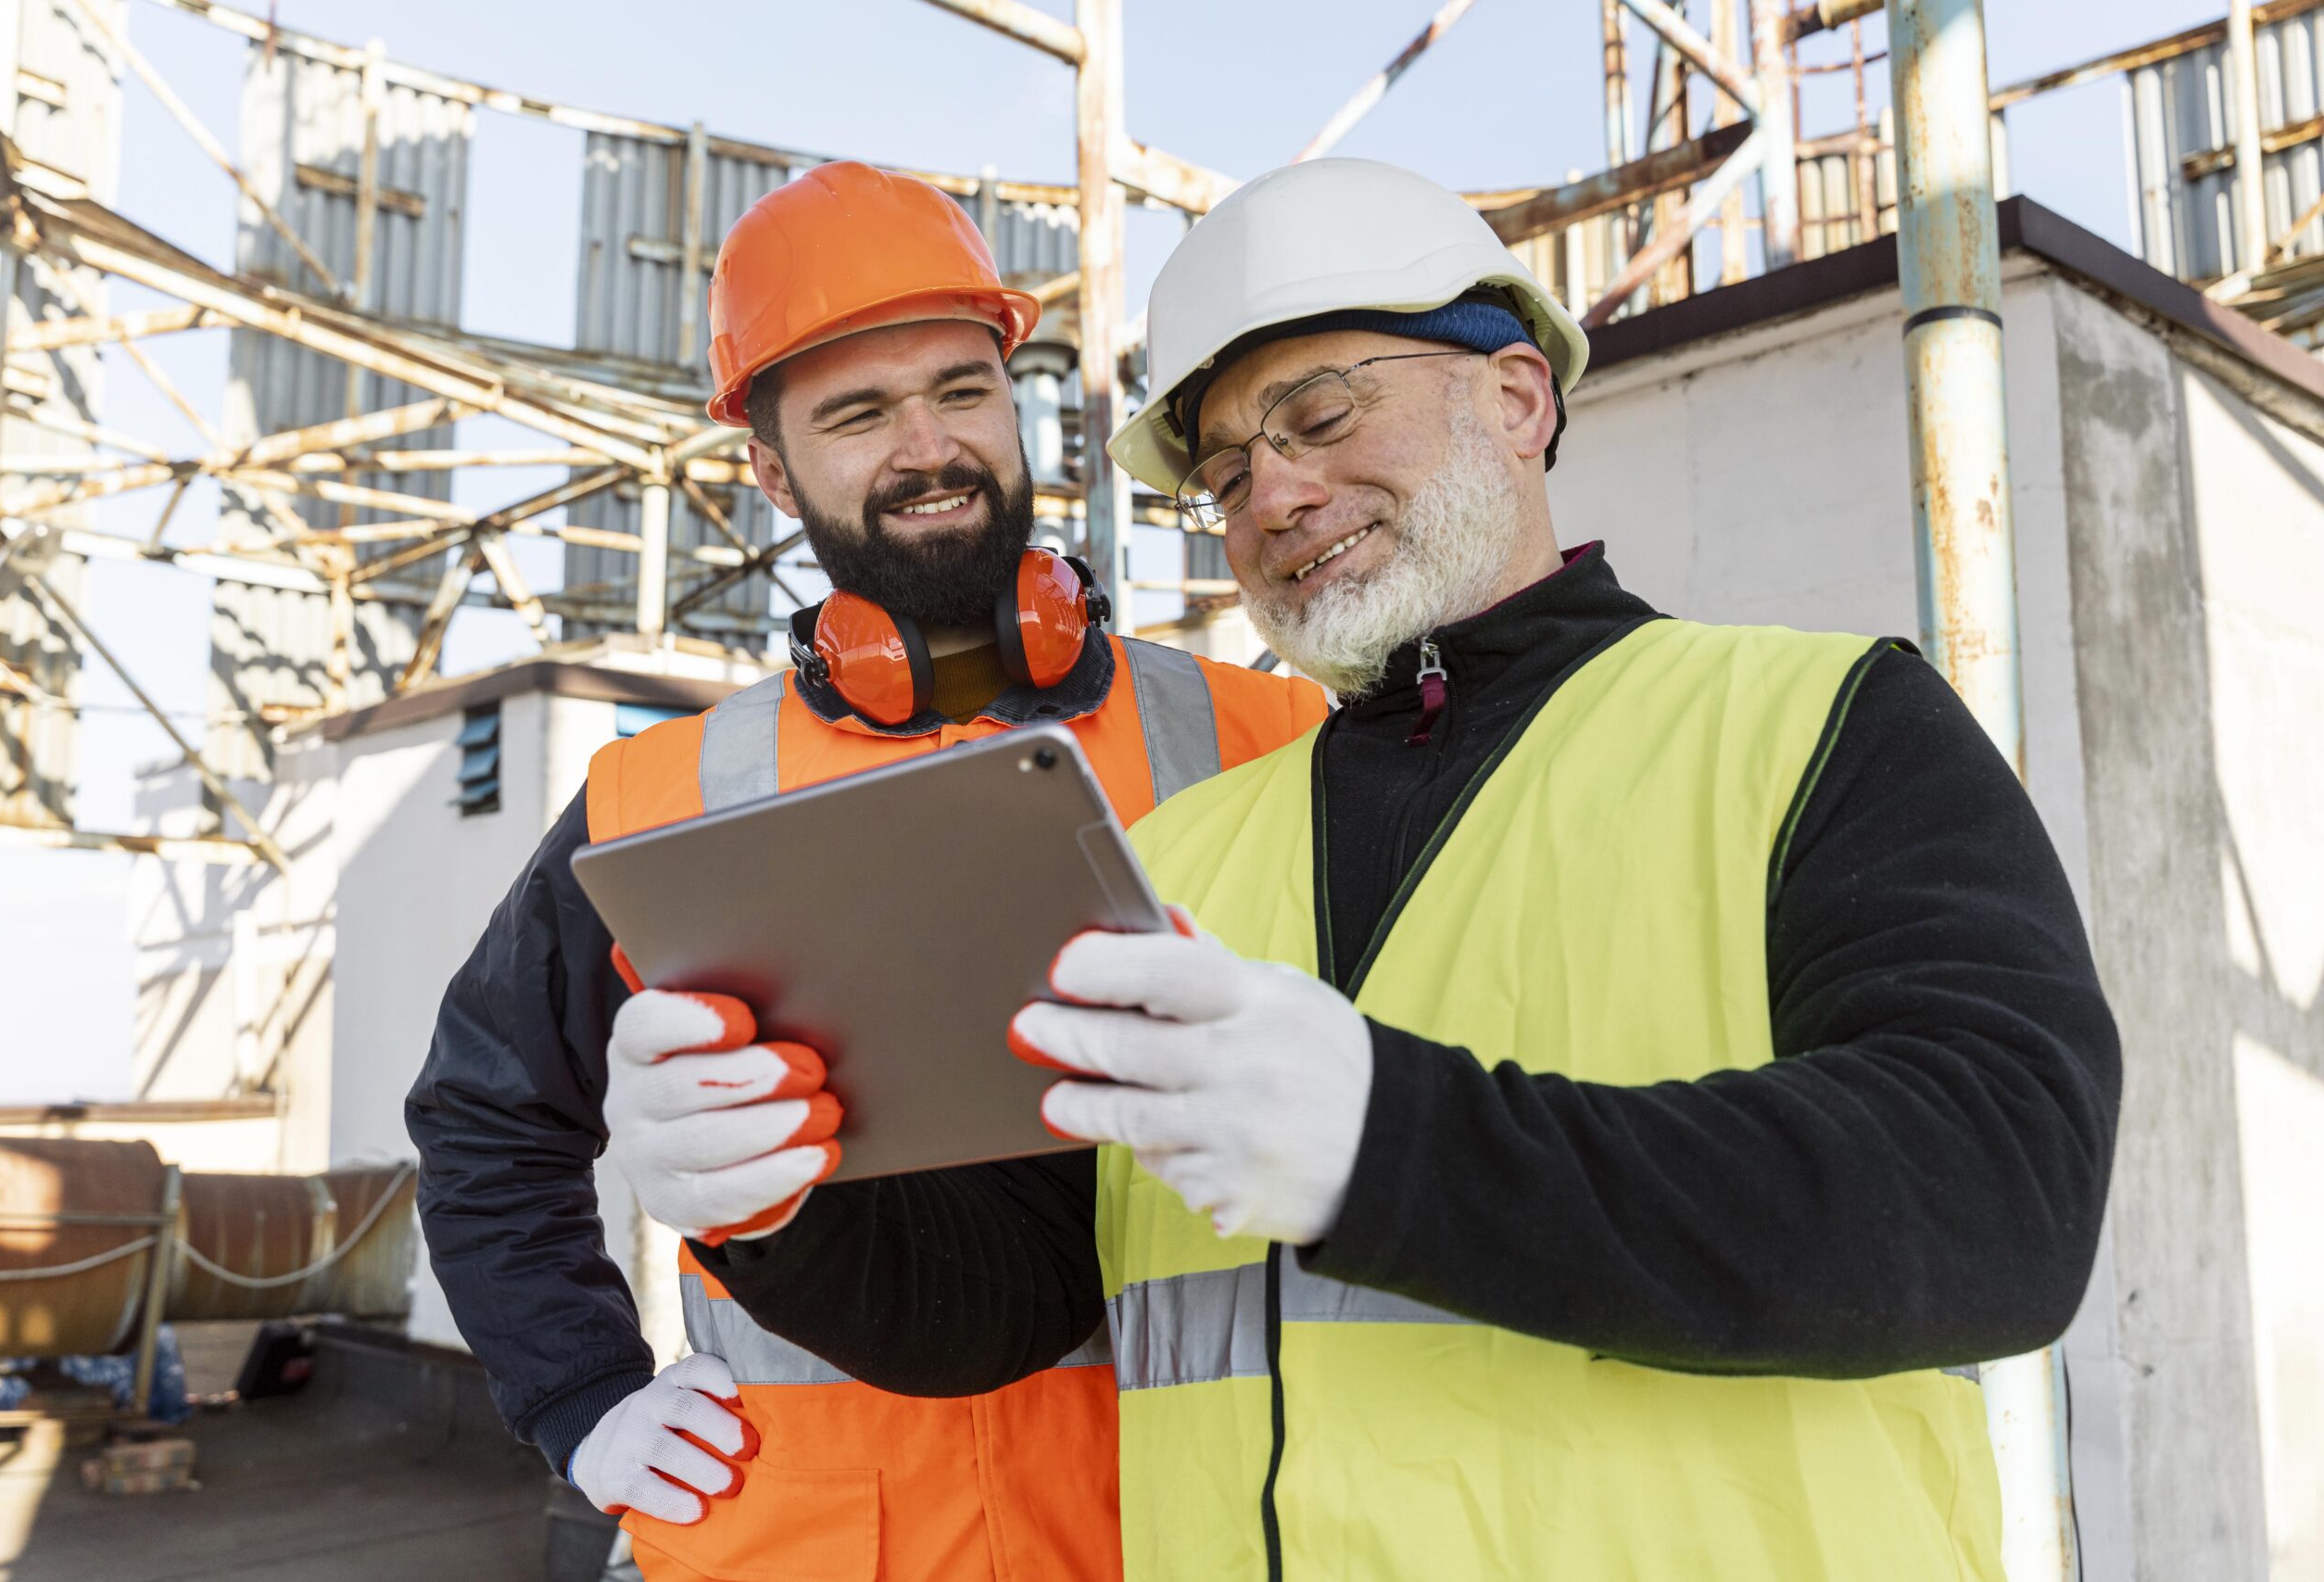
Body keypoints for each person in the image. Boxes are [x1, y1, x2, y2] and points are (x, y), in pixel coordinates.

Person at [701, 158, 2123, 1580]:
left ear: (1517, 397)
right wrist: (775, 1200)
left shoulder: (1819, 725)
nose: (1275, 494)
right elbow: (1015, 1293)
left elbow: (2002, 1190)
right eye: (1226, 474)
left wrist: (1393, 1149)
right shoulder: (1184, 852)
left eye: (1322, 416)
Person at [404, 160, 1325, 1582]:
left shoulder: (1269, 735)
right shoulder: (661, 796)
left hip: (1186, 1534)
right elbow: (485, 1116)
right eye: (857, 413)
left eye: (962, 390)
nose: (929, 445)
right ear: (772, 470)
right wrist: (578, 1393)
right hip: (820, 1546)